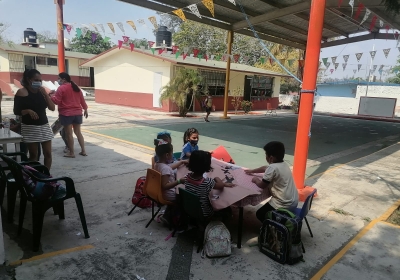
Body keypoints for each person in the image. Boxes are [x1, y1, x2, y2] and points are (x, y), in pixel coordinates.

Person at [245, 141, 299, 223]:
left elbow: (262, 185)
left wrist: (255, 180)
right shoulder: (283, 164)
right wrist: (252, 171)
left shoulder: (272, 168)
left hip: (283, 203)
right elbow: (265, 168)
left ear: (270, 158)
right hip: (294, 201)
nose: (265, 157)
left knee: (260, 214)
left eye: (266, 155)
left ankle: (276, 226)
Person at [13, 69, 55, 169]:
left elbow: (52, 108)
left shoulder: (42, 91)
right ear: (28, 79)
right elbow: (16, 111)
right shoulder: (21, 92)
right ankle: (33, 177)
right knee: (33, 155)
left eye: (40, 80)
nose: (38, 82)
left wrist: (45, 94)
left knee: (48, 154)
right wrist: (27, 110)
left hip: (44, 125)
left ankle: (46, 176)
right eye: (36, 80)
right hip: (29, 127)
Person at [184, 150, 235, 219]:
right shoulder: (207, 182)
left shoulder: (186, 177)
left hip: (191, 210)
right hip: (205, 214)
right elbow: (220, 186)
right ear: (207, 166)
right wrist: (216, 178)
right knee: (227, 209)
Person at [50, 72, 88, 158]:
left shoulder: (61, 88)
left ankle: (71, 152)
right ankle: (83, 150)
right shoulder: (76, 87)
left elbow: (56, 101)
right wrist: (85, 109)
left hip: (66, 114)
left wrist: (51, 96)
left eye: (59, 78)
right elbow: (82, 100)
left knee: (69, 134)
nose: (58, 80)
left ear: (63, 79)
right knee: (78, 133)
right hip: (78, 113)